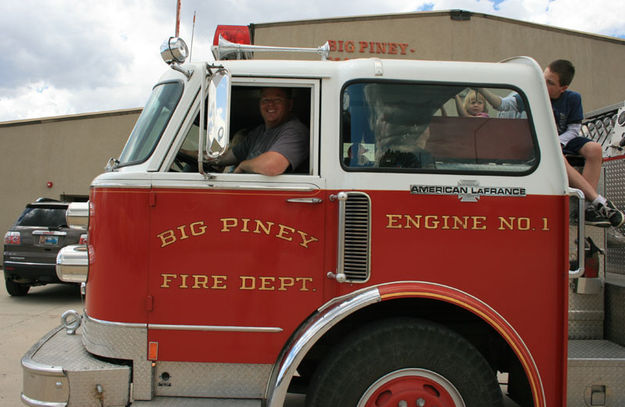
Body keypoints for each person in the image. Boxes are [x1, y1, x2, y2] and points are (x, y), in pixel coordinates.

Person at [480, 62, 624, 228]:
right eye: (543, 78)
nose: (543, 84)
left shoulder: (573, 98)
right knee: (558, 158)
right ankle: (598, 201)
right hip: (542, 144)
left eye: (550, 82)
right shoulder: (532, 95)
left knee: (595, 149)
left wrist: (557, 143)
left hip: (563, 140)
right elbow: (502, 104)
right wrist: (482, 89)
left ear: (563, 88)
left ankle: (585, 209)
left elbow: (574, 129)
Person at [204, 87, 309, 175]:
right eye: (265, 100)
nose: (270, 105)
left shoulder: (295, 131)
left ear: (289, 105)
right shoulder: (259, 132)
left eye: (277, 100)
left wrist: (243, 165)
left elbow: (272, 166)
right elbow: (226, 157)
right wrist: (194, 155)